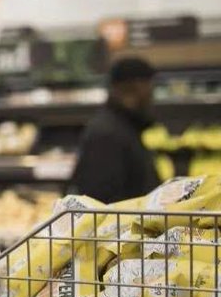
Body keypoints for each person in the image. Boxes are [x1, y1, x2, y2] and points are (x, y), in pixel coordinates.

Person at [68, 56, 160, 203]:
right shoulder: (106, 134)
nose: (151, 94)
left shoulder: (124, 127)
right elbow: (99, 198)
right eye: (148, 85)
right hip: (125, 225)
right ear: (132, 87)